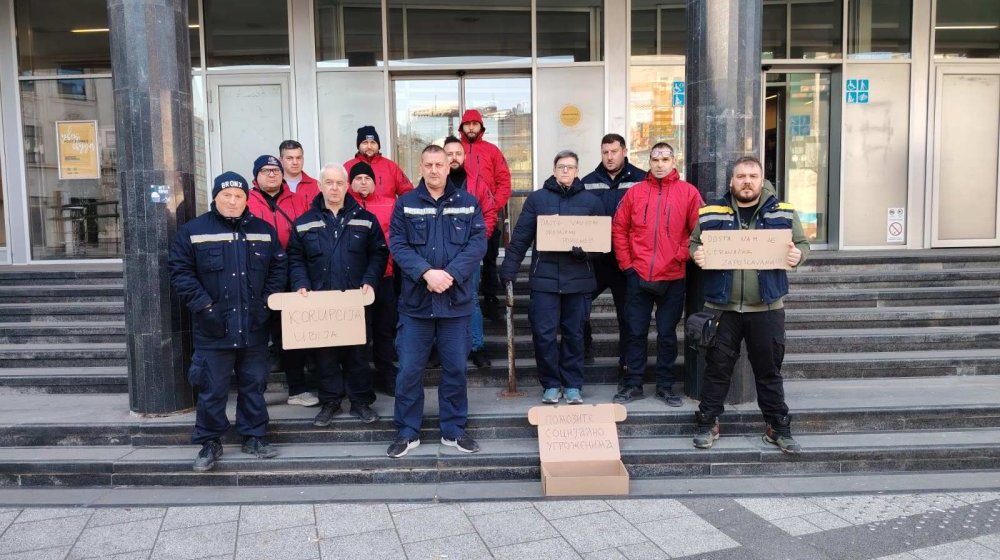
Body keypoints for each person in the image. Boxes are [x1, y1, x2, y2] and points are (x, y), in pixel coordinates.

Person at [168, 171, 287, 472]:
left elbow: (278, 270)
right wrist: (205, 307)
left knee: (254, 384)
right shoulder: (193, 231)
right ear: (215, 197)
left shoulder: (263, 230)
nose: (233, 201)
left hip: (254, 325)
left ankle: (254, 436)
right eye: (227, 196)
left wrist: (265, 306)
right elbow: (181, 272)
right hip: (213, 326)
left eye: (239, 196)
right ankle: (210, 442)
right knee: (212, 388)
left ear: (247, 198)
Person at [689, 155, 809, 454]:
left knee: (769, 371)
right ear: (731, 180)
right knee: (717, 370)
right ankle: (708, 423)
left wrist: (799, 256)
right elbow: (694, 242)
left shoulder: (783, 211)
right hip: (722, 306)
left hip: (766, 307)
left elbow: (802, 244)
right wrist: (697, 255)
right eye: (740, 176)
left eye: (752, 176)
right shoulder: (711, 211)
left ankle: (778, 428)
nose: (746, 181)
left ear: (762, 179)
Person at [387, 144, 487, 458]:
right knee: (409, 370)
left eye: (439, 164)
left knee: (456, 369)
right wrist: (427, 273)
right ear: (420, 167)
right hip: (416, 305)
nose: (434, 170)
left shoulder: (469, 203)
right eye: (428, 164)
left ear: (449, 166)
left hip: (456, 304)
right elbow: (398, 245)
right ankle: (407, 432)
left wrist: (450, 274)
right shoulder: (406, 203)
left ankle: (454, 431)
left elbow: (478, 244)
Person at [287, 164, 389, 426]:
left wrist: (370, 280)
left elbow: (379, 253)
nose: (334, 187)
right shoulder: (304, 222)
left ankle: (360, 402)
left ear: (347, 186)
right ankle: (330, 401)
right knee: (325, 355)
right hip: (321, 301)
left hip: (355, 299)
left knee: (358, 354)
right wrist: (300, 283)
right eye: (328, 182)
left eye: (339, 183)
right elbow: (295, 258)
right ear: (320, 186)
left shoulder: (365, 218)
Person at [499, 150, 603, 405]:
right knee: (543, 334)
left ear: (577, 170)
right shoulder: (537, 200)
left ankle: (573, 386)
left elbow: (602, 244)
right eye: (561, 167)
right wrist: (509, 268)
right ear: (554, 170)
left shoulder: (592, 202)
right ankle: (550, 384)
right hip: (544, 279)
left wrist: (585, 254)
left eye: (570, 167)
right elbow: (521, 236)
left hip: (578, 280)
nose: (565, 171)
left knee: (574, 334)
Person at [611, 142, 702, 407]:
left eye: (665, 159)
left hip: (673, 276)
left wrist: (679, 255)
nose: (660, 164)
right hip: (637, 274)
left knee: (666, 334)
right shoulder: (635, 193)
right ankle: (633, 384)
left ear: (674, 162)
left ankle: (665, 386)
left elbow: (699, 232)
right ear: (648, 162)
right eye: (655, 159)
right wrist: (627, 265)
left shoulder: (688, 193)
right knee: (635, 332)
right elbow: (619, 228)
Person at [246, 154, 317, 407]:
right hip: (254, 277)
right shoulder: (246, 201)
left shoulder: (298, 200)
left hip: (290, 273)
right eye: (265, 170)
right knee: (256, 335)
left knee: (291, 334)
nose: (272, 174)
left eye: (275, 170)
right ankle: (255, 391)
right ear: (256, 176)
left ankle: (297, 389)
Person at [581, 133, 648, 377]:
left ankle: (627, 365)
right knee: (578, 307)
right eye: (605, 152)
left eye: (614, 152)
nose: (609, 157)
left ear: (625, 151)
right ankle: (584, 350)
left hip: (627, 261)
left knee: (628, 316)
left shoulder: (642, 180)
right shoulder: (587, 181)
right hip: (596, 261)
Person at [444, 135, 498, 369]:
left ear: (464, 156)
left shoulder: (477, 184)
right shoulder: (431, 183)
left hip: (468, 256)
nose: (453, 158)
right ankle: (442, 349)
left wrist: (476, 243)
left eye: (458, 153)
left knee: (472, 300)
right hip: (439, 255)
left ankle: (477, 347)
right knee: (439, 302)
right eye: (449, 154)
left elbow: (490, 214)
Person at [348, 161, 399, 395]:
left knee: (384, 329)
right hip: (352, 283)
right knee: (358, 333)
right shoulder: (345, 207)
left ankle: (386, 374)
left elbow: (397, 238)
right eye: (358, 179)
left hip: (384, 276)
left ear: (374, 181)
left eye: (366, 178)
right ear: (351, 182)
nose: (362, 182)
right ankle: (360, 381)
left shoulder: (390, 204)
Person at [458, 109, 512, 323]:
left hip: (486, 215)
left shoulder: (492, 151)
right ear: (461, 127)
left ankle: (491, 301)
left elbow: (504, 181)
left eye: (475, 123)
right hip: (459, 217)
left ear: (481, 127)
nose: (471, 127)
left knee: (489, 260)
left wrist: (493, 205)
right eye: (467, 124)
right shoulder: (454, 150)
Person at [344, 125, 413, 200]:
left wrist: (399, 209)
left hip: (387, 211)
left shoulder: (391, 166)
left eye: (373, 142)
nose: (369, 146)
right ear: (358, 146)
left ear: (378, 145)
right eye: (365, 143)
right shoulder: (347, 167)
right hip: (357, 211)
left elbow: (407, 192)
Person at [279, 139, 321, 204]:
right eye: (289, 158)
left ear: (303, 159)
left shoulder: (316, 186)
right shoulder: (274, 185)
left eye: (298, 158)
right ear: (280, 160)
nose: (295, 162)